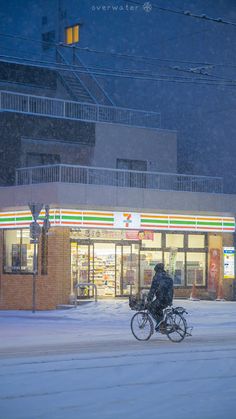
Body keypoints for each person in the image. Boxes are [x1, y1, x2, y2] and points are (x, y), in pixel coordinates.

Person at [146, 263, 174, 330]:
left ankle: (160, 323)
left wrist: (149, 299)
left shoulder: (157, 277)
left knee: (150, 307)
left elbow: (153, 289)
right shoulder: (167, 275)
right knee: (158, 308)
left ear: (156, 269)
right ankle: (162, 325)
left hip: (162, 299)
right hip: (169, 299)